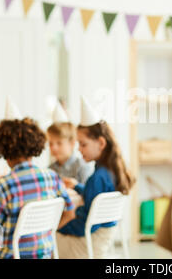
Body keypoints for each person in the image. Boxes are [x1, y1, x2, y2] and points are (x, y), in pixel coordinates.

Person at [0, 99, 75, 259]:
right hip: (44, 255)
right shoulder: (52, 177)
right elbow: (70, 213)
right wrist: (46, 232)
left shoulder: (2, 186)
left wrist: (3, 240)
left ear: (1, 148)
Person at [56, 96, 135, 258]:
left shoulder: (97, 178)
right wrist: (77, 186)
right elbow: (96, 197)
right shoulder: (111, 172)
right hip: (102, 242)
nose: (79, 149)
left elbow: (83, 225)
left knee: (49, 239)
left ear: (101, 143)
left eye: (83, 144)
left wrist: (58, 225)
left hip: (87, 246)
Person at [47, 102, 93, 186]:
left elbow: (87, 194)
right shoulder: (50, 170)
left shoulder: (81, 167)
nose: (53, 148)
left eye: (59, 143)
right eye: (50, 143)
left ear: (72, 143)